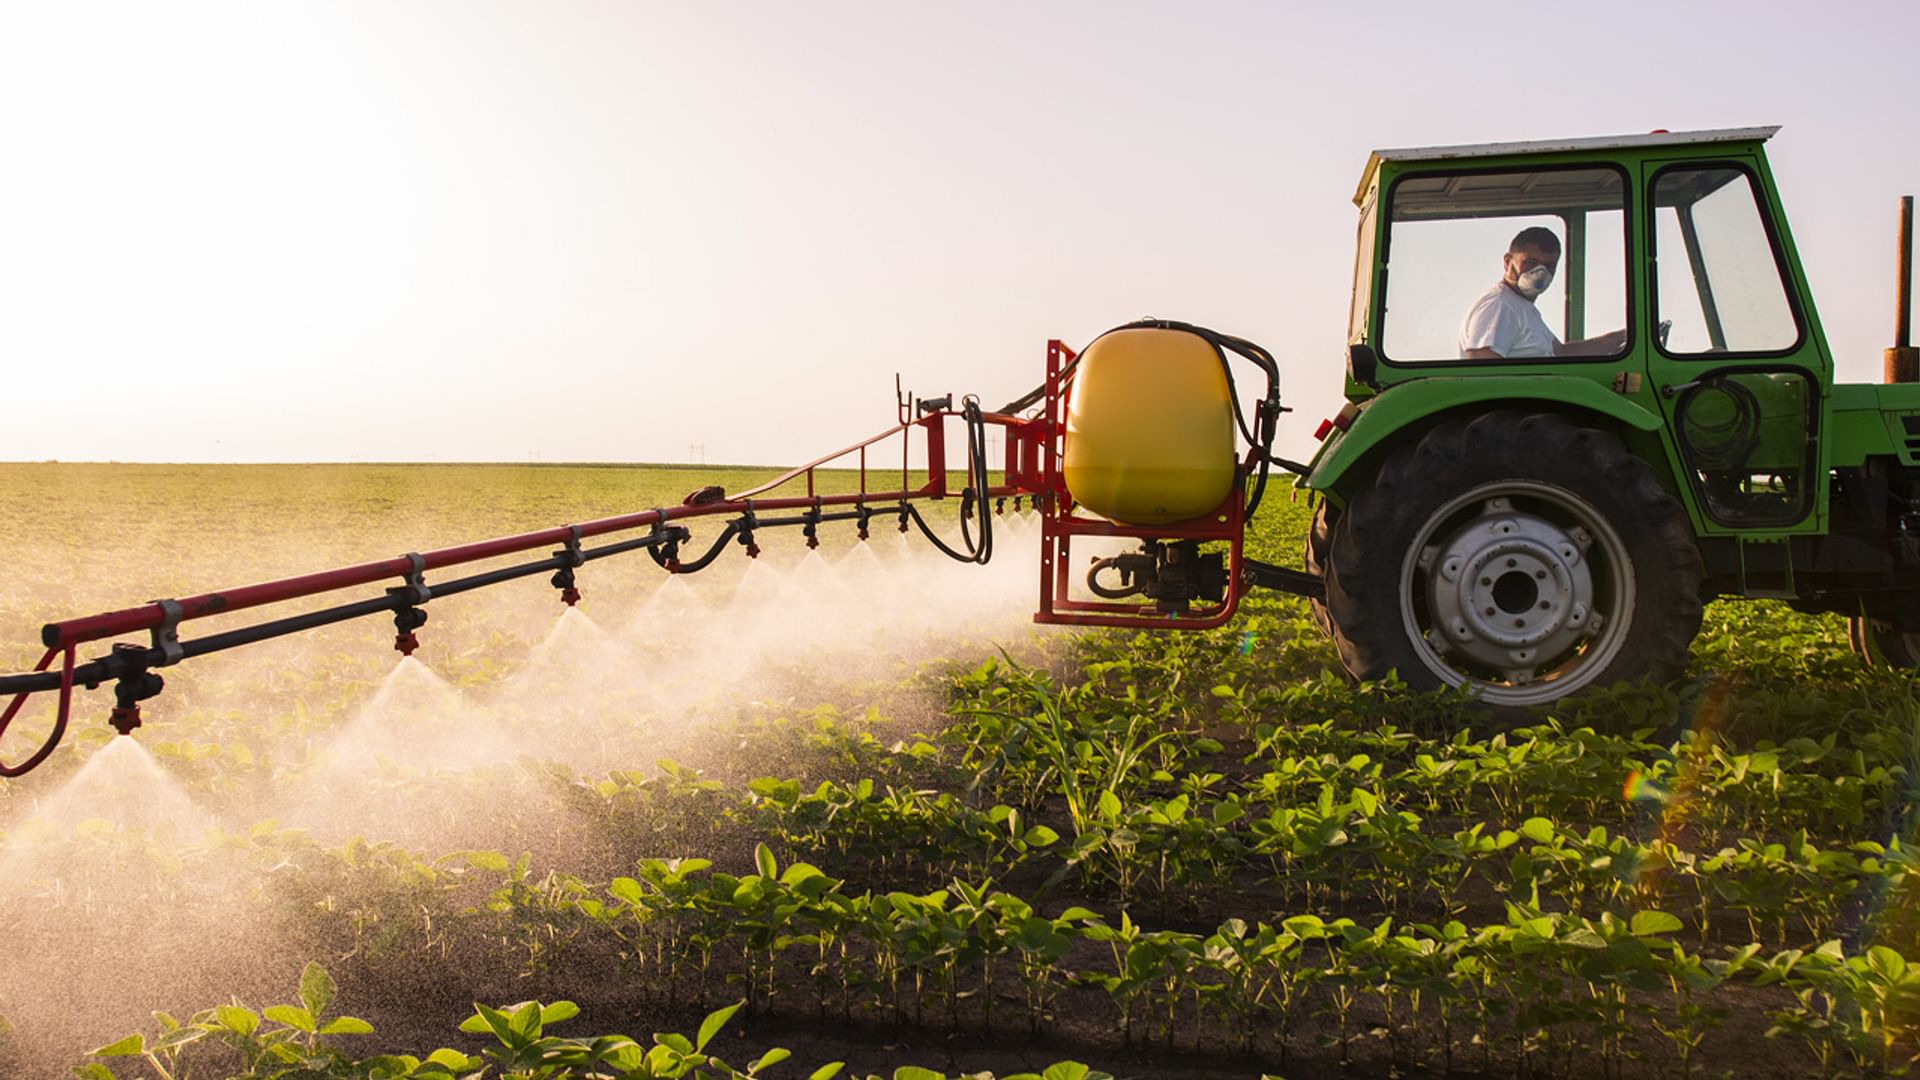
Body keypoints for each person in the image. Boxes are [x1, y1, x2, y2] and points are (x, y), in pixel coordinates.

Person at [1459, 227, 1628, 359]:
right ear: (1507, 262)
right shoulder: (1500, 305)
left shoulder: (1523, 308)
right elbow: (1481, 363)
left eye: (1549, 266)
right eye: (1530, 262)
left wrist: (1623, 337)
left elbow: (1562, 354)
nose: (1540, 272)